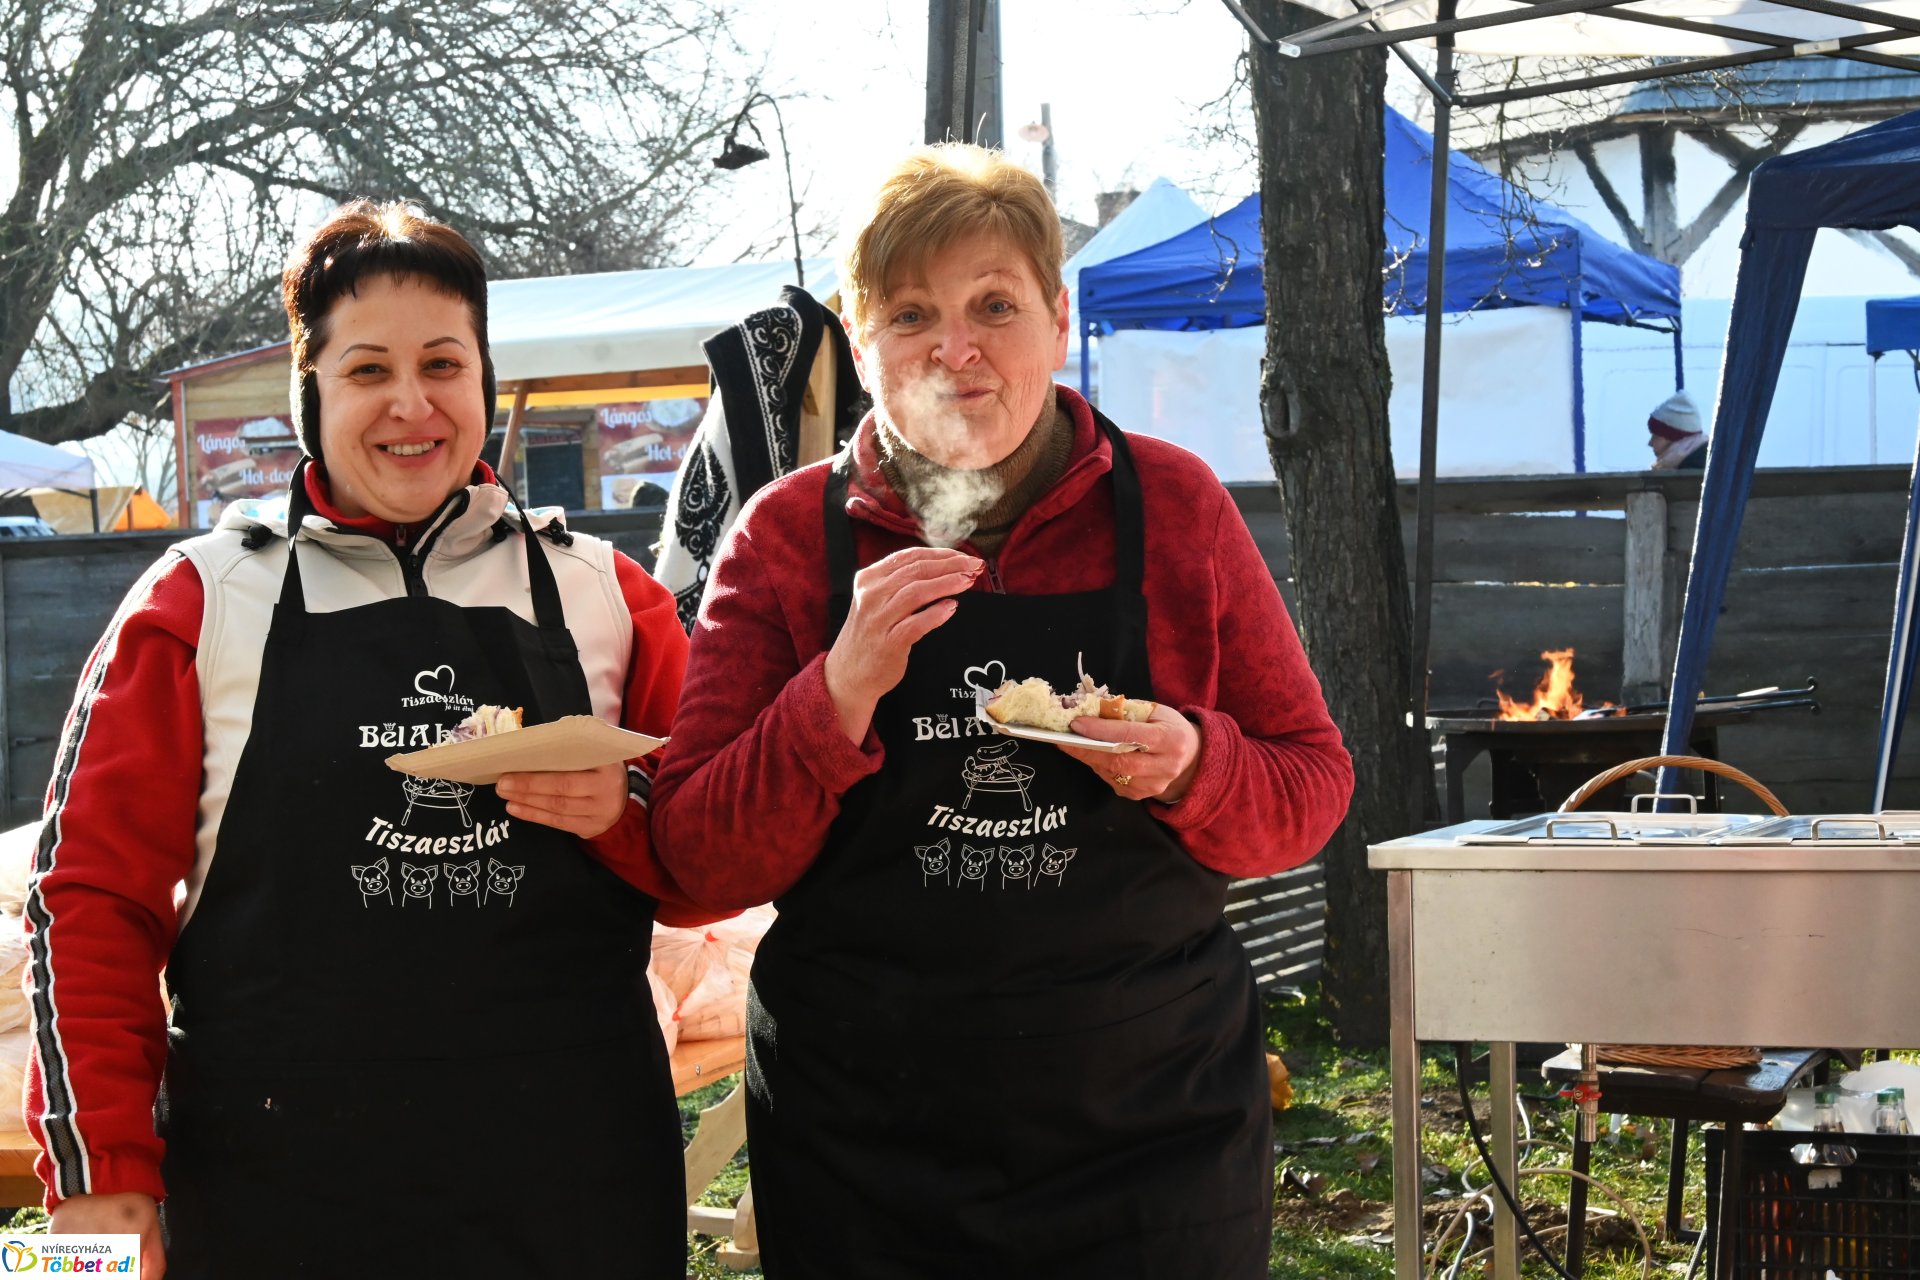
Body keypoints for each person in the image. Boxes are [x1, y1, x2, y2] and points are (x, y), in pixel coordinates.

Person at [650, 144, 1355, 1279]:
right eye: (913, 313)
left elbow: (1313, 787)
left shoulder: (1172, 506)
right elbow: (692, 858)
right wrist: (829, 699)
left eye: (994, 306)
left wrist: (1193, 763)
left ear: (1058, 317)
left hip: (1146, 1122)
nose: (956, 349)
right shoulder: (787, 537)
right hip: (867, 1139)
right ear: (863, 332)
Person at [25, 201, 700, 1277]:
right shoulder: (197, 598)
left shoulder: (607, 593)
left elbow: (711, 865)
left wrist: (624, 814)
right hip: (274, 1190)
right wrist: (97, 1184)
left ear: (483, 379)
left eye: (444, 363)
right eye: (367, 369)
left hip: (574, 1184)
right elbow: (86, 897)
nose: (411, 403)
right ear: (311, 390)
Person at [1648, 390, 1708, 470]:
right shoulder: (1705, 459)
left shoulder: (1694, 468)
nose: (1650, 443)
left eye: (1655, 436)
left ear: (1673, 438)